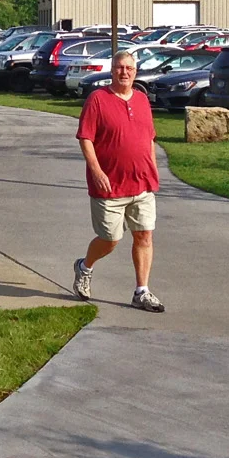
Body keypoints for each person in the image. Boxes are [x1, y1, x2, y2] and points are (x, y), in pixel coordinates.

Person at [73, 50, 165, 313]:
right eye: (119, 67)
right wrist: (96, 171)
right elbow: (86, 138)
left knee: (144, 235)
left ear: (135, 72)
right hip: (109, 185)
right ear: (112, 70)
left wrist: (153, 170)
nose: (124, 72)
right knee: (110, 239)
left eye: (129, 68)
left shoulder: (141, 100)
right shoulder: (98, 100)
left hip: (142, 183)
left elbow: (148, 138)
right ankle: (84, 266)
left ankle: (142, 291)